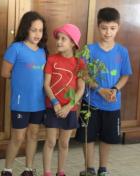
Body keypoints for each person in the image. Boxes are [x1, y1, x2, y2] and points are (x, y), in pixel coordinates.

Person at [75, 7, 132, 176]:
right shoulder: (89, 49)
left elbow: (125, 75)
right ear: (98, 26)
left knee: (108, 137)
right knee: (88, 136)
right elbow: (83, 73)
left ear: (118, 27)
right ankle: (89, 167)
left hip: (112, 103)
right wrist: (99, 90)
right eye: (104, 28)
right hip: (90, 102)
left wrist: (114, 89)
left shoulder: (122, 51)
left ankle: (103, 168)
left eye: (112, 28)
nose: (108, 32)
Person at [1, 11, 48, 176]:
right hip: (21, 102)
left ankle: (28, 169)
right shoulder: (16, 48)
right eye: (33, 30)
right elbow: (5, 73)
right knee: (18, 137)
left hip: (39, 102)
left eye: (40, 30)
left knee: (33, 135)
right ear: (25, 29)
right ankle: (7, 170)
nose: (37, 34)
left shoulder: (43, 51)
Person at [43, 24, 85, 176]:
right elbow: (46, 85)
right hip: (52, 107)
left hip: (70, 109)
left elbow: (81, 89)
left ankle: (61, 172)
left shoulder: (80, 63)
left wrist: (68, 107)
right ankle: (47, 172)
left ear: (73, 43)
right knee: (50, 141)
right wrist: (55, 102)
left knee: (64, 143)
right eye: (58, 38)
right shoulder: (52, 59)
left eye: (63, 39)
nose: (58, 42)